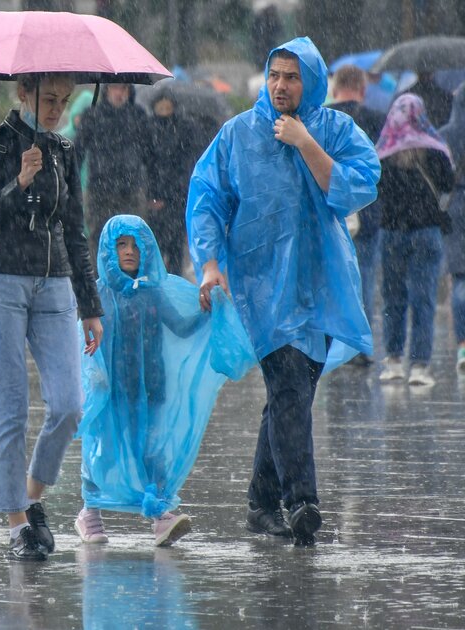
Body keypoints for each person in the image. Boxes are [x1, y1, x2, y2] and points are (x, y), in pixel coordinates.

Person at [187, 37, 380, 546]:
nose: (280, 85)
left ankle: (260, 502)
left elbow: (360, 185)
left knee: (288, 398)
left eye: (292, 76)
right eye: (274, 74)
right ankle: (302, 502)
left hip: (321, 286)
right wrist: (209, 263)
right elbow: (206, 197)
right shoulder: (238, 135)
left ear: (310, 81)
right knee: (289, 388)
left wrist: (304, 143)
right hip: (262, 290)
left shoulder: (334, 129)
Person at [0, 72, 103, 562]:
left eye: (64, 101)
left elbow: (75, 229)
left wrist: (90, 304)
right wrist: (17, 183)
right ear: (23, 93)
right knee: (10, 408)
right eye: (48, 99)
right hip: (0, 281)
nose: (56, 109)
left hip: (56, 284)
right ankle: (17, 522)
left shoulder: (63, 149)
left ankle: (33, 494)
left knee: (69, 403)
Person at [75, 215, 255, 547]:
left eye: (136, 245)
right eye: (121, 245)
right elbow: (86, 344)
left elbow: (181, 326)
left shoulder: (154, 293)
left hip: (152, 388)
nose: (129, 252)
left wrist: (207, 313)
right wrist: (94, 377)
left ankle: (159, 514)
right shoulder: (97, 296)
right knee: (107, 451)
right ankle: (91, 510)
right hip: (114, 391)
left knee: (152, 449)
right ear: (107, 251)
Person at [374, 94, 453, 388]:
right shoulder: (434, 148)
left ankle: (393, 360)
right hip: (427, 231)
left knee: (393, 297)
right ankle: (420, 365)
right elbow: (447, 184)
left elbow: (375, 188)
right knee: (424, 299)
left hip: (392, 232)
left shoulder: (384, 150)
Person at [327, 64, 387, 347]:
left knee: (328, 280)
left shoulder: (322, 120)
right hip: (368, 213)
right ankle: (360, 345)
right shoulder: (376, 118)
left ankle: (331, 343)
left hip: (328, 213)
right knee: (363, 277)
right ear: (363, 90)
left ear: (334, 88)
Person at [75, 83, 150, 255]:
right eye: (115, 88)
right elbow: (78, 152)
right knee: (100, 239)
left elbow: (149, 154)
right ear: (106, 90)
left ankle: (130, 280)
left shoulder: (138, 115)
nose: (119, 93)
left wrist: (154, 189)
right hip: (99, 189)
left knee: (131, 240)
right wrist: (72, 185)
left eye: (124, 88)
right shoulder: (92, 115)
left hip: (131, 188)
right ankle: (98, 280)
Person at [144, 88, 204, 275]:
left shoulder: (185, 127)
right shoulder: (147, 127)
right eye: (160, 106)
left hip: (178, 197)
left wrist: (174, 191)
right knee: (156, 247)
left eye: (167, 106)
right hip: (156, 198)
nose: (163, 110)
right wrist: (152, 194)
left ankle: (174, 284)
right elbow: (147, 163)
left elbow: (188, 161)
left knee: (176, 248)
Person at [438, 85, 465, 373]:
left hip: (456, 204)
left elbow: (441, 174)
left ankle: (463, 345)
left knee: (460, 277)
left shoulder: (446, 134)